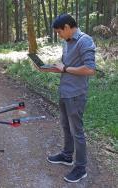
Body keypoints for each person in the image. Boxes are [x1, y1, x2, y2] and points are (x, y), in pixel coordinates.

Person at [40, 14, 96, 183]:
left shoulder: (84, 41)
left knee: (76, 131)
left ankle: (81, 167)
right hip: (64, 92)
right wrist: (50, 68)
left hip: (76, 94)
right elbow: (65, 66)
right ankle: (66, 155)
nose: (59, 35)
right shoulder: (66, 42)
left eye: (59, 32)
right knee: (65, 126)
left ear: (66, 27)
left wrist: (65, 69)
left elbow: (89, 70)